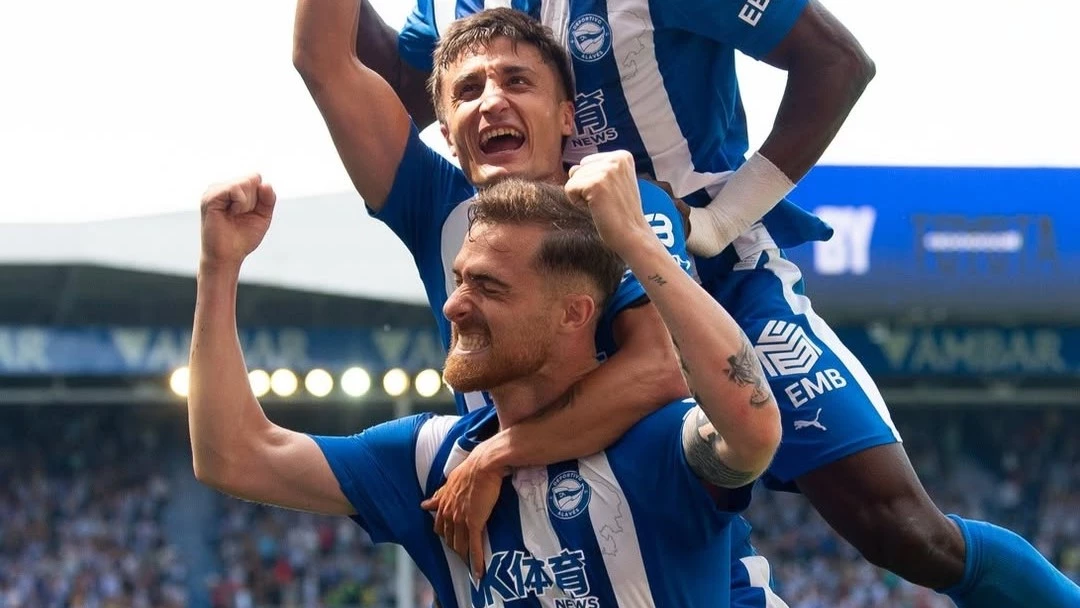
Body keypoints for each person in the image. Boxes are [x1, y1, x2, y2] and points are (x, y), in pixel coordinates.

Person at [349, 3, 1080, 606]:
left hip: (709, 271)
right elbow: (401, 85)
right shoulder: (454, 9)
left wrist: (722, 222)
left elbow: (837, 63)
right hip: (554, 276)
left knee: (902, 529)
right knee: (617, 501)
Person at [189, 169, 782, 607]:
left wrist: (638, 242)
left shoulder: (657, 443)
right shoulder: (429, 460)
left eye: (489, 288)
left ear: (574, 314)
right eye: (457, 281)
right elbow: (235, 458)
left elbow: (753, 425)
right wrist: (219, 269)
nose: (453, 305)